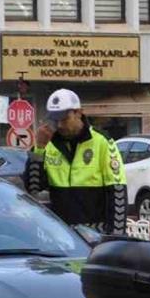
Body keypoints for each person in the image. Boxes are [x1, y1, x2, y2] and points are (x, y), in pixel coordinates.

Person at [23, 88, 127, 234]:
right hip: (61, 234)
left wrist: (116, 237)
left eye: (64, 119)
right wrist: (39, 149)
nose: (59, 125)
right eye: (55, 120)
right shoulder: (48, 144)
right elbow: (33, 187)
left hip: (95, 233)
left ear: (79, 113)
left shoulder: (102, 142)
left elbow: (117, 192)